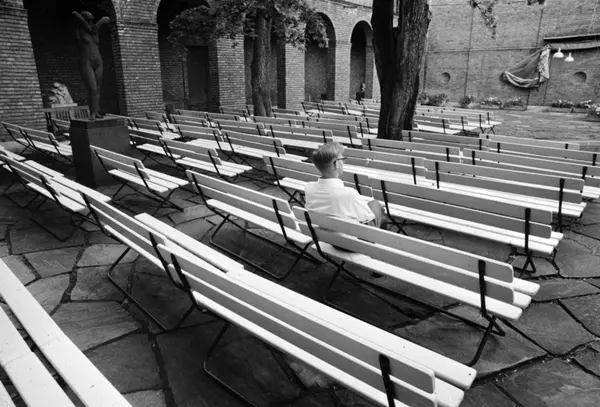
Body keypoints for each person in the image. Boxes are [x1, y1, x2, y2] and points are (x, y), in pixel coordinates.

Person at [305, 142, 387, 228]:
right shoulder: (349, 194)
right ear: (336, 164)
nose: (343, 162)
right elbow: (367, 217)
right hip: (350, 234)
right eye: (342, 159)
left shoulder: (309, 188)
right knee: (376, 205)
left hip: (323, 232)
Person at [72, 10, 111, 120]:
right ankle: (92, 113)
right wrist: (85, 25)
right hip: (86, 62)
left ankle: (96, 111)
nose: (90, 22)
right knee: (92, 89)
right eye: (88, 20)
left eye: (91, 20)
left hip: (98, 62)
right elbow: (75, 14)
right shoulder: (79, 31)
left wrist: (97, 25)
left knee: (97, 89)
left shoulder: (94, 31)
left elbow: (107, 19)